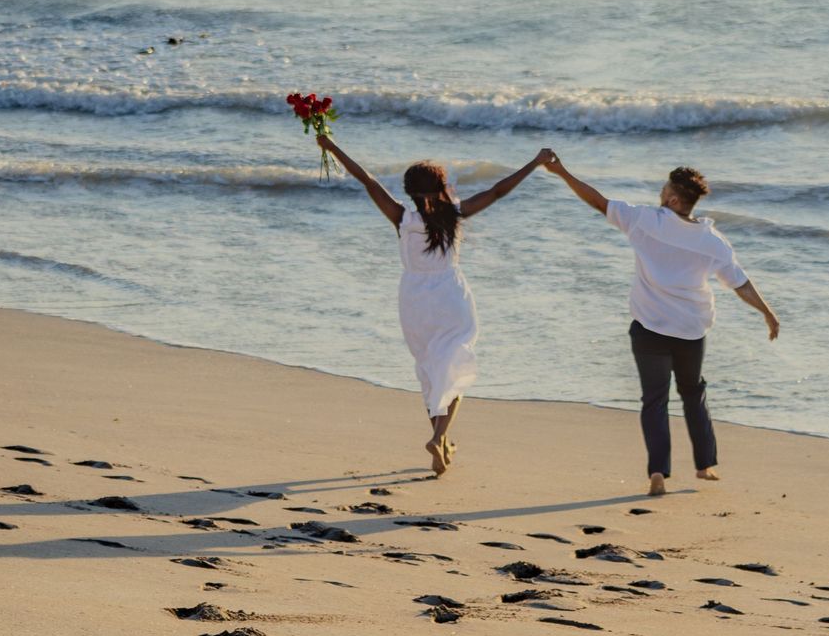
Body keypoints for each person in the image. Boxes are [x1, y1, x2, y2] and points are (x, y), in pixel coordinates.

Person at [541, 153, 779, 495]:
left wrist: (562, 172)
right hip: (690, 331)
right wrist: (767, 313)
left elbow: (597, 201)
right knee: (692, 392)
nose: (661, 191)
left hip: (649, 329)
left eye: (665, 187)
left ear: (672, 198)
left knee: (655, 400)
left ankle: (657, 472)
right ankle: (705, 465)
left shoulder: (644, 221)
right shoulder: (712, 241)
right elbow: (739, 283)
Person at [317, 132, 552, 476]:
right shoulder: (454, 215)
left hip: (414, 301)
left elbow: (366, 180)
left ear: (411, 192)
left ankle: (439, 441)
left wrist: (332, 146)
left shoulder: (403, 219)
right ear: (440, 187)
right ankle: (440, 436)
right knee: (454, 370)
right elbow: (499, 190)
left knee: (430, 371)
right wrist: (535, 161)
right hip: (450, 298)